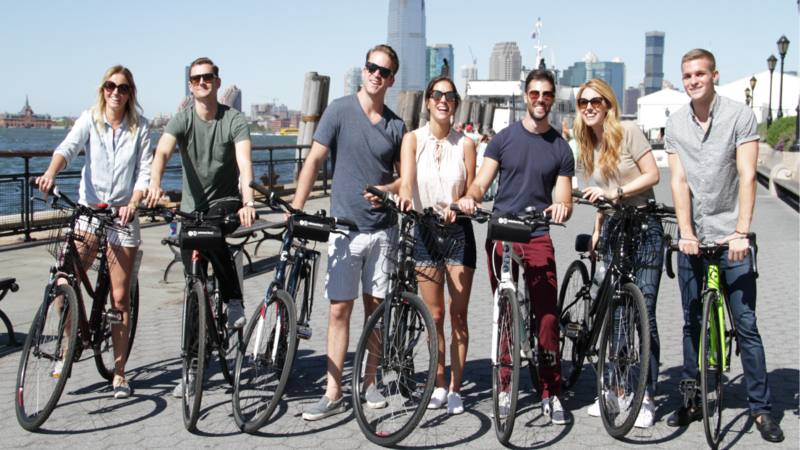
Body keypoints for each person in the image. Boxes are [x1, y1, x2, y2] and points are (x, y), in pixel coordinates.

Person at [666, 49, 784, 442]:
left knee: (746, 325)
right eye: (687, 75)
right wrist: (685, 232)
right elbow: (679, 183)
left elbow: (748, 175)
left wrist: (741, 232)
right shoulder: (676, 123)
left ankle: (761, 409)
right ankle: (694, 398)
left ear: (715, 75)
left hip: (732, 233)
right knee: (692, 322)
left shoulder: (739, 115)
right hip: (694, 238)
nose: (693, 80)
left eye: (700, 73)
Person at [291, 45, 407, 421]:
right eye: (372, 67)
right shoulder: (339, 110)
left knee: (376, 311)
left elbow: (406, 180)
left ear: (392, 80)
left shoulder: (396, 125)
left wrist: (387, 192)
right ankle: (333, 390)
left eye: (384, 71)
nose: (377, 75)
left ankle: (370, 381)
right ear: (364, 70)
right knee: (340, 310)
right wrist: (296, 208)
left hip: (383, 232)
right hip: (344, 229)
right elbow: (314, 160)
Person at [456, 69, 575, 424]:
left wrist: (563, 206)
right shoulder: (503, 139)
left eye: (547, 95)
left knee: (548, 317)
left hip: (537, 233)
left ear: (553, 99)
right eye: (535, 93)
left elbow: (564, 195)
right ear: (525, 96)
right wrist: (470, 198)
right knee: (505, 312)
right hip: (503, 231)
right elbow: (481, 182)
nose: (541, 100)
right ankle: (506, 386)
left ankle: (550, 391)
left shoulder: (561, 147)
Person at [143, 57, 256, 398]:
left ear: (217, 83)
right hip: (191, 211)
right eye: (196, 79)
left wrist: (249, 201)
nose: (202, 82)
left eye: (208, 77)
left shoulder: (233, 119)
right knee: (193, 290)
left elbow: (244, 163)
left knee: (215, 231)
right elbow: (162, 152)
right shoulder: (182, 119)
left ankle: (233, 300)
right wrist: (154, 182)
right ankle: (192, 368)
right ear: (190, 86)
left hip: (225, 204)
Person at [37, 65, 153, 399]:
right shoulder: (90, 118)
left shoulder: (140, 128)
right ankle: (68, 344)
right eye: (109, 86)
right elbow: (68, 148)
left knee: (118, 298)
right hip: (89, 212)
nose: (115, 92)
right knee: (64, 281)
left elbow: (144, 171)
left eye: (123, 87)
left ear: (131, 93)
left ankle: (119, 373)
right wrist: (50, 173)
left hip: (121, 217)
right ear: (102, 89)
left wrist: (134, 201)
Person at [573, 78, 662, 429]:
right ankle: (617, 387)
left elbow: (652, 175)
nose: (590, 107)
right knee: (618, 311)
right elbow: (599, 193)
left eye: (596, 101)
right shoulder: (587, 144)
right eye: (583, 102)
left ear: (608, 104)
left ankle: (647, 396)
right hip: (613, 230)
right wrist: (598, 228)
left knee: (645, 312)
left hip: (644, 228)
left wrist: (619, 193)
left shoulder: (628, 132)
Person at [396, 75, 476, 415]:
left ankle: (456, 389)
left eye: (450, 96)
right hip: (425, 231)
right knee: (435, 316)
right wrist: (400, 195)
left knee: (458, 315)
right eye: (437, 95)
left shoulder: (467, 144)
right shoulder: (412, 139)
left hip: (458, 233)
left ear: (456, 103)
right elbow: (407, 180)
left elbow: (473, 190)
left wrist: (467, 202)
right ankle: (439, 382)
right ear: (428, 101)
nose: (444, 100)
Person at [476, 130, 497, 201]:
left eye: (490, 136)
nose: (488, 138)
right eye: (488, 137)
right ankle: (487, 194)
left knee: (492, 181)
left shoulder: (492, 144)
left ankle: (491, 194)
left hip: (491, 164)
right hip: (482, 164)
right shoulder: (485, 144)